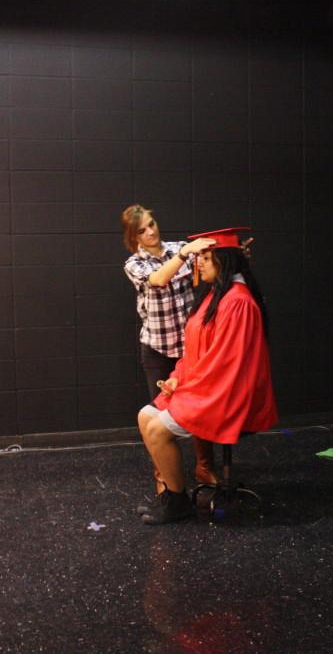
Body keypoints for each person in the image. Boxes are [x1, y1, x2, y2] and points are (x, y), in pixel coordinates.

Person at [135, 228, 277, 525]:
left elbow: (225, 366)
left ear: (224, 262)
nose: (198, 264)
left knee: (159, 430)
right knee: (145, 416)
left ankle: (177, 503)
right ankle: (174, 497)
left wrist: (187, 390)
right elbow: (197, 352)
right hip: (206, 386)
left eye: (207, 258)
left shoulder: (237, 302)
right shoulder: (215, 296)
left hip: (227, 396)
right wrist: (177, 378)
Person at [121, 205, 219, 489]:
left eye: (152, 224)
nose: (151, 232)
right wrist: (184, 255)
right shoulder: (134, 264)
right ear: (133, 236)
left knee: (200, 409)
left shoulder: (181, 249)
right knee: (159, 415)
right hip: (157, 350)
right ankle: (163, 475)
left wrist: (234, 255)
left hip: (190, 349)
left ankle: (204, 467)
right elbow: (159, 279)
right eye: (142, 230)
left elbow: (213, 265)